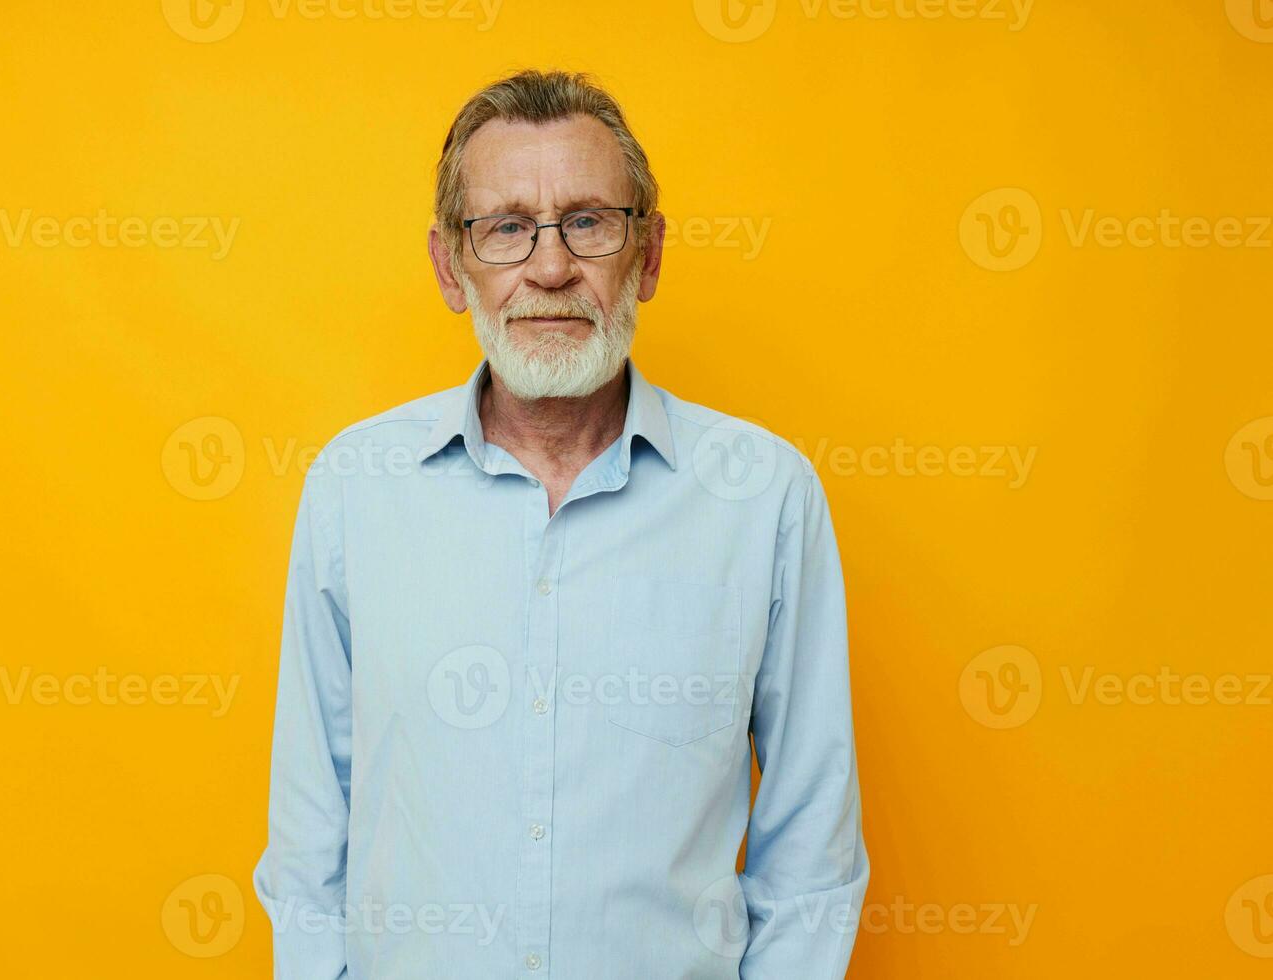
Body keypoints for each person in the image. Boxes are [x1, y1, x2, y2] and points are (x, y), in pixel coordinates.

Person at [253, 68, 868, 980]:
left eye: (588, 221)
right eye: (505, 227)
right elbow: (311, 836)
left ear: (649, 254)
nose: (549, 267)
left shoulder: (764, 496)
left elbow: (812, 850)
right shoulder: (356, 486)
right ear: (450, 268)